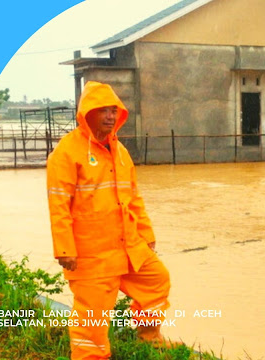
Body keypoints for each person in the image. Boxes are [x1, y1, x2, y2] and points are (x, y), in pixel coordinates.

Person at [47, 81, 177, 360]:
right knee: (91, 319)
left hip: (128, 245)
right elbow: (58, 202)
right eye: (103, 110)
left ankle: (149, 338)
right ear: (86, 113)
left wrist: (146, 234)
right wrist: (65, 248)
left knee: (156, 280)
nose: (109, 116)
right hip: (90, 253)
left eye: (114, 110)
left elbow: (134, 198)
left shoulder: (120, 152)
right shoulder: (67, 152)